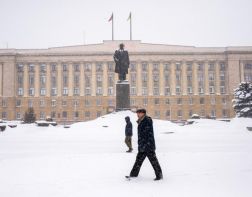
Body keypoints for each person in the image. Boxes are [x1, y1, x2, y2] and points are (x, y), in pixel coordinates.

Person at [127, 108, 163, 181]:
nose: (137, 114)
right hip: (143, 145)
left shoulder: (147, 120)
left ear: (143, 113)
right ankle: (133, 175)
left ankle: (159, 176)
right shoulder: (141, 121)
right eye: (137, 113)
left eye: (139, 113)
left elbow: (147, 134)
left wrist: (146, 144)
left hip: (148, 145)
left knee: (154, 161)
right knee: (138, 161)